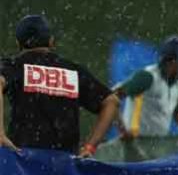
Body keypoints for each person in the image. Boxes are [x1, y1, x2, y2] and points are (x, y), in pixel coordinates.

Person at [0, 15, 120, 157]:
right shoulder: (72, 71)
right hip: (64, 165)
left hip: (24, 163)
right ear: (51, 41)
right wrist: (89, 147)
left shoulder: (15, 66)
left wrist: (0, 135)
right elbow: (111, 102)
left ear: (18, 43)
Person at [113, 35, 178, 140]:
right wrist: (123, 130)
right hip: (135, 142)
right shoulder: (147, 77)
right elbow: (112, 98)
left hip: (157, 145)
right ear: (172, 60)